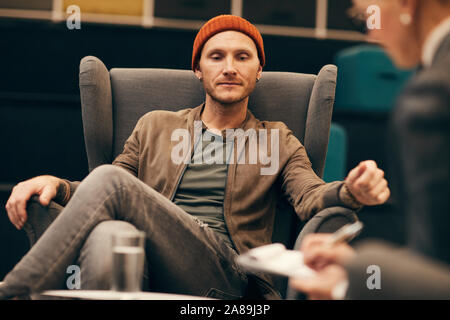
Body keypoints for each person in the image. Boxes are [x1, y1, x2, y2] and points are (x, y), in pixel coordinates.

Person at [1, 15, 390, 300]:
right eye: (216, 57)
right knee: (110, 233)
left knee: (113, 186)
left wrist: (351, 192)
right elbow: (106, 190)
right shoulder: (155, 125)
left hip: (224, 273)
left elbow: (309, 196)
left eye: (242, 57)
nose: (229, 68)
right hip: (146, 258)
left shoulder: (276, 138)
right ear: (198, 71)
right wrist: (59, 185)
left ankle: (16, 291)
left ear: (258, 72)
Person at [290, 0, 450, 299]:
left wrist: (352, 281)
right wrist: (363, 270)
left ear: (406, 3)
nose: (370, 36)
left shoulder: (433, 98)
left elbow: (437, 276)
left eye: (368, 17)